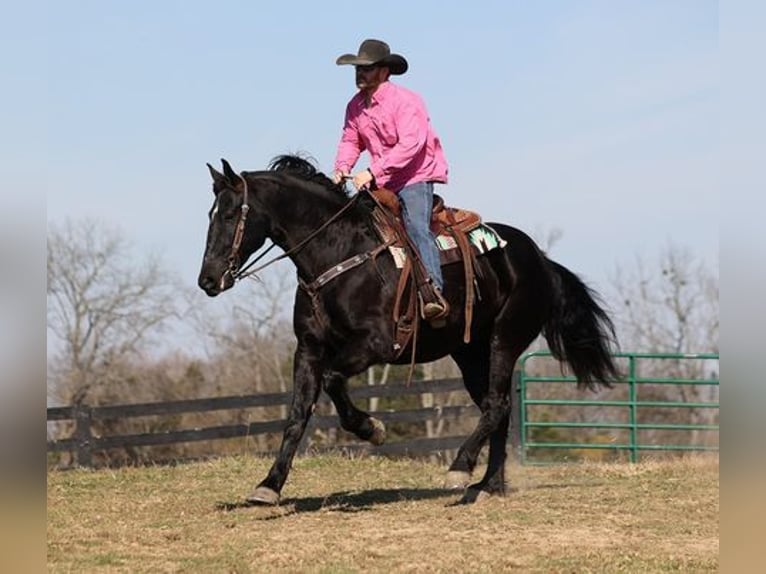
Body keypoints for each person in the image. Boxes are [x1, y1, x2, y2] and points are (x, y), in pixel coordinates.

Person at [332, 39, 450, 322]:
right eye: (358, 69)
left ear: (384, 71)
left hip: (414, 176)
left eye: (367, 68)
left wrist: (371, 173)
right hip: (383, 181)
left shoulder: (406, 101)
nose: (360, 74)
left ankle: (434, 293)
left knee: (415, 227)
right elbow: (351, 140)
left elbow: (412, 144)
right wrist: (341, 167)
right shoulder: (355, 106)